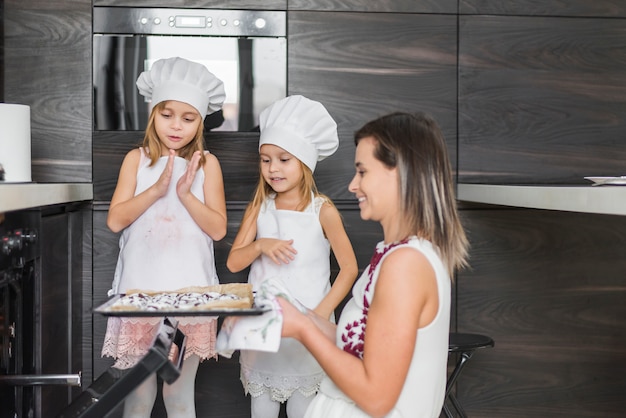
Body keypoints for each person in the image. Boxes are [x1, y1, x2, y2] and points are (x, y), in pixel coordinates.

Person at [277, 111, 470, 418]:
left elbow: (377, 398)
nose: (353, 185)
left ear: (400, 173)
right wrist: (293, 314)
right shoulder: (398, 254)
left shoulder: (406, 264)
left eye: (363, 172)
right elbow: (360, 342)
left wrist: (302, 329)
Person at [101, 57, 227, 418]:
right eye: (167, 115)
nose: (176, 126)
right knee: (139, 399)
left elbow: (217, 229)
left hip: (191, 299)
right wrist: (157, 190)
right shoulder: (135, 160)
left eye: (188, 119)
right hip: (141, 295)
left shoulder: (207, 165)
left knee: (179, 398)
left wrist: (186, 194)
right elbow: (115, 220)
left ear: (200, 122)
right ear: (153, 113)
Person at [226, 95, 359, 418]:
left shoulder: (322, 210)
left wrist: (319, 314)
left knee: (304, 409)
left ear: (304, 162)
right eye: (266, 159)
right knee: (262, 408)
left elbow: (349, 268)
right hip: (264, 330)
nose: (273, 168)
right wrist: (260, 245)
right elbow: (234, 263)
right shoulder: (260, 207)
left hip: (308, 333)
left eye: (284, 159)